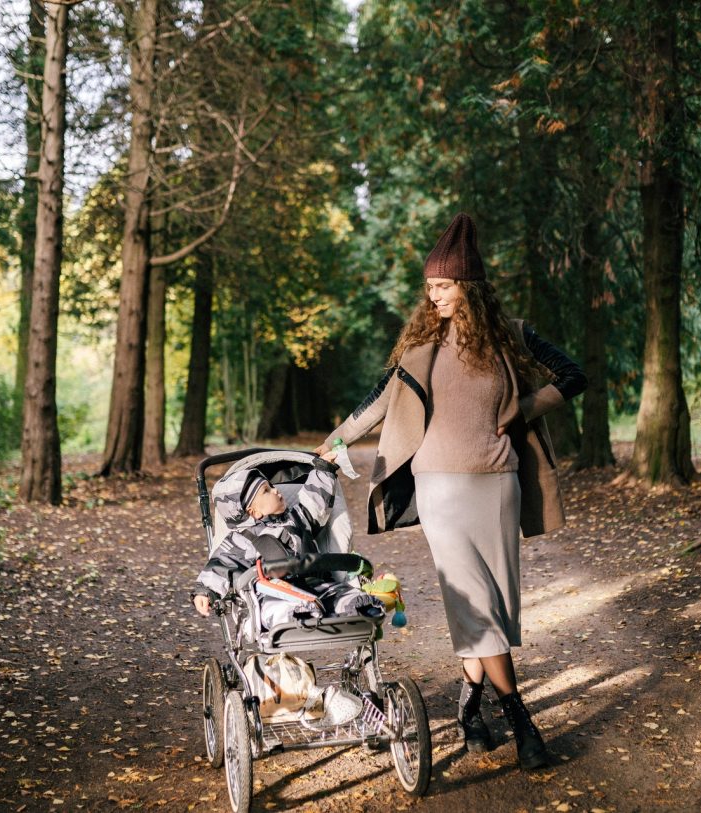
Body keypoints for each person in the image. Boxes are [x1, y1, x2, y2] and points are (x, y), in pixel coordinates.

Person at [315, 213, 586, 771]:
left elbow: (572, 375)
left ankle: (469, 712)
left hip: (500, 486)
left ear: (468, 286)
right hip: (440, 490)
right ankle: (523, 725)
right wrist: (334, 440)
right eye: (430, 287)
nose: (433, 296)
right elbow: (377, 402)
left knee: (494, 605)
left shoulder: (511, 336)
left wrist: (520, 411)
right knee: (477, 605)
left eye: (442, 285)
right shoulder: (423, 346)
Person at [191, 457, 384, 628]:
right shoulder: (242, 539)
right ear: (253, 512)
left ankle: (357, 606)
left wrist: (324, 469)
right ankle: (296, 614)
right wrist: (205, 591)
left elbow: (315, 502)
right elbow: (222, 565)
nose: (276, 490)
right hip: (276, 592)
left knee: (342, 594)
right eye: (267, 490)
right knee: (272, 608)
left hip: (315, 584)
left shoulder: (297, 518)